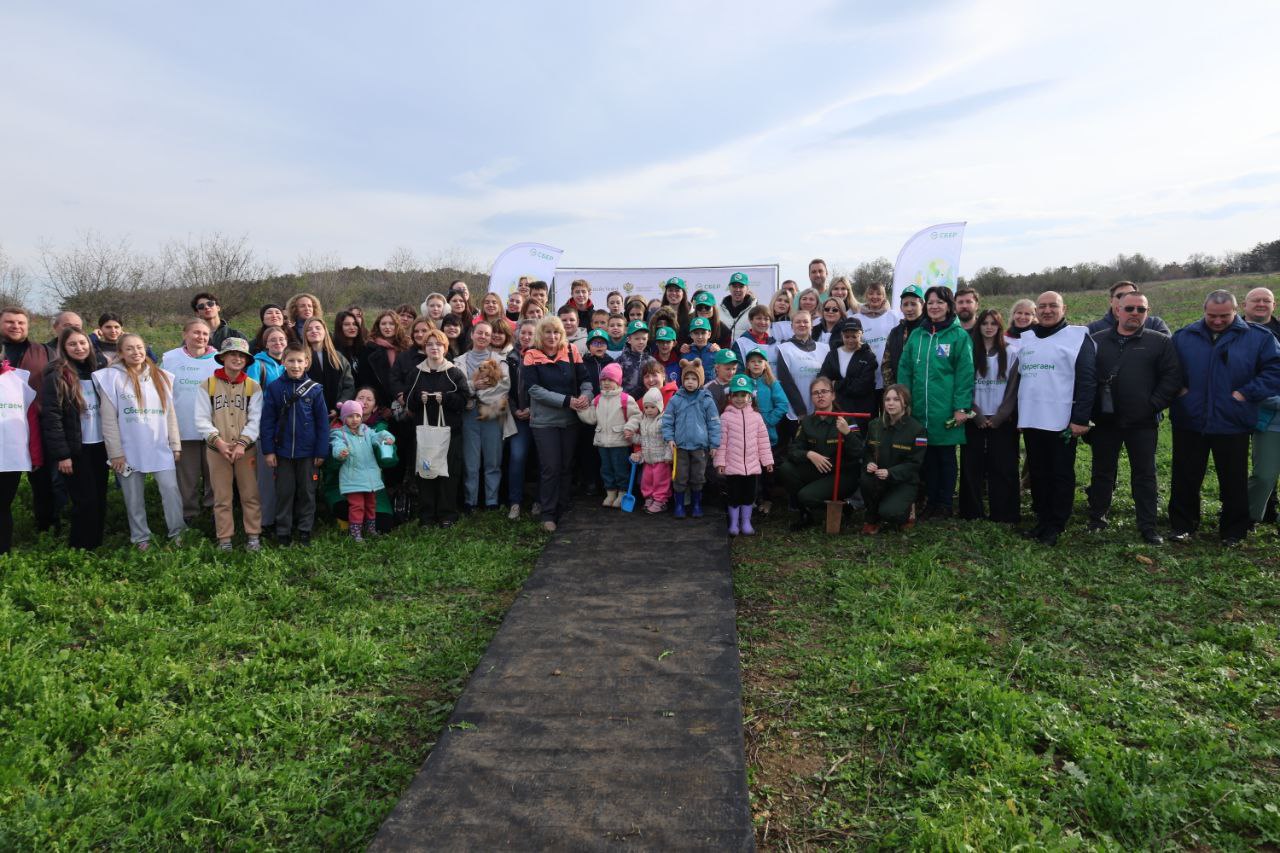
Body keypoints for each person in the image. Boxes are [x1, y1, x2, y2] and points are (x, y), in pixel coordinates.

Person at [1169, 290, 1280, 546]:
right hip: (1190, 418)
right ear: (1203, 310)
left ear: (1235, 310)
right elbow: (1168, 368)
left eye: (1224, 316)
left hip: (1233, 419)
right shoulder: (1184, 336)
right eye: (1212, 316)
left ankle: (1233, 531)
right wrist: (1180, 391)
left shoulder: (1259, 337)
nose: (1217, 321)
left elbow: (1275, 370)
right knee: (1185, 475)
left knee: (1233, 478)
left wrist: (1246, 393)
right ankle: (1183, 525)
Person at [1084, 291, 1181, 544]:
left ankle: (1148, 526)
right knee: (1102, 471)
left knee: (1145, 474)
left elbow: (1171, 377)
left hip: (1143, 422)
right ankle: (1097, 518)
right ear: (1118, 311)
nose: (1135, 314)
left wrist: (1152, 405)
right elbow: (1086, 378)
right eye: (1130, 309)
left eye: (1141, 309)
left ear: (1147, 312)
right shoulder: (1096, 340)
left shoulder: (1159, 342)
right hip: (1106, 421)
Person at [1015, 291, 1097, 546]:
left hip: (1061, 420)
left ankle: (1056, 524)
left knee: (1060, 472)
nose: (1047, 310)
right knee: (1038, 471)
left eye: (1053, 306)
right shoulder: (1026, 339)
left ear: (1064, 309)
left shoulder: (1077, 338)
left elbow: (1087, 380)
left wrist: (1081, 418)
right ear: (1036, 311)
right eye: (1043, 306)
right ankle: (1042, 518)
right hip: (1031, 418)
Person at [95, 333, 185, 551]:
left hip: (159, 446)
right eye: (130, 349)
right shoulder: (110, 378)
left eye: (139, 347)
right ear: (121, 353)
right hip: (128, 449)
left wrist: (175, 444)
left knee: (171, 490)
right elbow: (108, 419)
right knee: (133, 497)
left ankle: (178, 532)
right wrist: (115, 452)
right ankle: (140, 537)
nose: (136, 352)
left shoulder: (161, 376)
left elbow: (170, 414)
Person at [896, 286, 975, 519]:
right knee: (927, 457)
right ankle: (931, 501)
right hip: (920, 408)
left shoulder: (958, 336)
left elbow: (964, 373)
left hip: (945, 409)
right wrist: (904, 402)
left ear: (949, 306)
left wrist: (961, 406)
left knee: (946, 457)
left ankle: (944, 502)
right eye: (930, 302)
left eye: (939, 302)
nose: (934, 307)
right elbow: (905, 368)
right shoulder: (917, 335)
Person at [41, 327, 109, 549]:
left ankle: (96, 543)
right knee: (84, 500)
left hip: (100, 445)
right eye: (73, 344)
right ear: (64, 348)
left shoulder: (98, 370)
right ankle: (80, 547)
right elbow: (52, 418)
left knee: (99, 496)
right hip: (76, 449)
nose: (79, 348)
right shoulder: (57, 375)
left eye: (82, 343)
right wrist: (62, 455)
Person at [193, 338, 263, 552]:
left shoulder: (253, 386)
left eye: (241, 355)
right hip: (218, 450)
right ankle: (225, 539)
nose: (237, 358)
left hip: (245, 449)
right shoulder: (208, 384)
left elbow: (255, 419)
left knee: (250, 494)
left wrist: (242, 443)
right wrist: (219, 442)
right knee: (222, 496)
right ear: (222, 357)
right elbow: (201, 419)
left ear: (246, 360)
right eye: (232, 354)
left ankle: (253, 536)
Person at [523, 316, 591, 532]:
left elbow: (586, 380)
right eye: (547, 332)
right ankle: (548, 513)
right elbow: (534, 390)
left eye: (556, 332)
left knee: (566, 466)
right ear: (539, 335)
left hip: (570, 420)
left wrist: (586, 396)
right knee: (550, 467)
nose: (552, 337)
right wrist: (567, 401)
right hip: (544, 422)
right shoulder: (531, 355)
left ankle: (563, 508)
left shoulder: (571, 351)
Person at [259, 344, 329, 546]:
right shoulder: (274, 388)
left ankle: (305, 530)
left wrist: (321, 451)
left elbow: (323, 424)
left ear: (307, 363)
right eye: (291, 360)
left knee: (307, 492)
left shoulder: (315, 390)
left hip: (308, 453)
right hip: (282, 452)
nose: (295, 365)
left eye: (300, 361)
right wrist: (269, 450)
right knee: (284, 492)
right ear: (283, 362)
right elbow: (267, 421)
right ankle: (283, 531)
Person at [402, 329, 470, 528]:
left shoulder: (455, 372)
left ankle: (447, 514)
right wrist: (416, 398)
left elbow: (464, 399)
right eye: (430, 344)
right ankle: (426, 516)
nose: (434, 348)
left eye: (438, 344)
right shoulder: (416, 372)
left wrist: (447, 398)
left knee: (448, 473)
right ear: (425, 348)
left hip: (450, 434)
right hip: (423, 435)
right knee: (425, 473)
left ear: (445, 347)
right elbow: (408, 401)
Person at [957, 310, 1021, 524]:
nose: (988, 327)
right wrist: (976, 415)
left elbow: (1013, 389)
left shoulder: (1012, 352)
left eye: (993, 323)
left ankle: (1004, 513)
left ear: (999, 326)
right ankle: (971, 511)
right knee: (971, 466)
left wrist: (1001, 416)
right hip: (975, 418)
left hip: (1002, 420)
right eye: (984, 323)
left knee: (1003, 466)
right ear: (979, 326)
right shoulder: (968, 351)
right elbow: (964, 387)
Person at [1, 306, 56, 533]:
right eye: (10, 322)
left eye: (21, 323)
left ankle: (46, 528)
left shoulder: (44, 352)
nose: (16, 326)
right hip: (5, 431)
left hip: (40, 426)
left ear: (28, 325)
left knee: (44, 482)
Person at [777, 376, 858, 529]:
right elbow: (793, 450)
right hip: (818, 470)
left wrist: (848, 434)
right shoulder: (807, 422)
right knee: (786, 469)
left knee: (806, 496)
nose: (820, 395)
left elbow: (859, 451)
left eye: (824, 391)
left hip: (842, 474)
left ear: (833, 395)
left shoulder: (846, 419)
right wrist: (809, 454)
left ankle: (844, 507)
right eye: (815, 393)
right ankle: (806, 513)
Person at [161, 318, 218, 524]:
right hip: (183, 428)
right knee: (187, 476)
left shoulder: (219, 358)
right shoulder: (170, 359)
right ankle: (189, 513)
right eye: (195, 332)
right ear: (184, 334)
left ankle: (214, 510)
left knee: (214, 473)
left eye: (204, 333)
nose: (200, 337)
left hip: (213, 429)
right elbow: (161, 391)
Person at [860, 384, 927, 534]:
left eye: (896, 399)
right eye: (887, 399)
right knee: (865, 478)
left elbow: (915, 463)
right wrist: (869, 462)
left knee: (890, 513)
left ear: (905, 403)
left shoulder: (918, 430)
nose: (891, 403)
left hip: (903, 482)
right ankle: (872, 518)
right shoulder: (874, 425)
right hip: (879, 479)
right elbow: (867, 452)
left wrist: (891, 472)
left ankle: (908, 510)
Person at [459, 321, 511, 512]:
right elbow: (459, 387)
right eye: (479, 333)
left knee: (493, 459)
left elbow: (504, 386)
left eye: (486, 334)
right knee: (471, 461)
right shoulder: (459, 361)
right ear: (472, 334)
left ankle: (491, 501)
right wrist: (474, 387)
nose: (482, 337)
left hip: (493, 411)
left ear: (490, 338)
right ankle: (470, 501)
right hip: (469, 413)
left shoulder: (500, 359)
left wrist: (478, 393)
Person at [662, 359, 721, 519]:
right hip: (680, 446)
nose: (689, 382)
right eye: (687, 378)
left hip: (700, 447)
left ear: (700, 380)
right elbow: (667, 420)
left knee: (698, 476)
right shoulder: (676, 399)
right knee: (680, 477)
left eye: (694, 379)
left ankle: (696, 504)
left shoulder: (706, 399)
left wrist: (714, 444)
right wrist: (669, 438)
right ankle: (680, 505)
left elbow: (714, 422)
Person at [716, 374, 774, 536]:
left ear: (750, 397)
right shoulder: (725, 417)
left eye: (744, 395)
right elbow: (722, 443)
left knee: (749, 496)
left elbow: (763, 441)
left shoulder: (757, 417)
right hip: (733, 467)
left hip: (752, 466)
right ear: (730, 396)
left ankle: (746, 522)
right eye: (736, 395)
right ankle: (734, 523)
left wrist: (767, 461)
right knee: (734, 496)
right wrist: (720, 462)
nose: (740, 399)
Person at [330, 398, 396, 542]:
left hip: (370, 478)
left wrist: (386, 436)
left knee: (371, 504)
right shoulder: (340, 434)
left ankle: (370, 529)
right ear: (343, 418)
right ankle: (355, 532)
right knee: (357, 506)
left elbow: (377, 436)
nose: (354, 419)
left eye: (357, 416)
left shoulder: (367, 431)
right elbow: (336, 445)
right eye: (350, 416)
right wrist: (340, 452)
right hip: (352, 478)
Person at [245, 325, 289, 531]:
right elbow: (251, 396)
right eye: (272, 340)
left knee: (285, 477)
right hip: (267, 428)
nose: (277, 343)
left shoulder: (291, 363)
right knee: (266, 479)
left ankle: (284, 519)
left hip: (289, 429)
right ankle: (266, 522)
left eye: (281, 339)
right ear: (265, 343)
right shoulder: (257, 365)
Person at [578, 362, 640, 508]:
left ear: (617, 381)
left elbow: (636, 416)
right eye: (603, 380)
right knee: (606, 469)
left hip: (620, 442)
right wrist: (580, 409)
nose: (606, 383)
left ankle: (622, 493)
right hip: (602, 442)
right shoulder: (598, 399)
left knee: (620, 469)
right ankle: (610, 493)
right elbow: (591, 418)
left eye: (610, 380)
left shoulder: (625, 399)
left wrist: (630, 427)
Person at [0, 351, 42, 553]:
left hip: (11, 457)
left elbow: (31, 421)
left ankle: (3, 551)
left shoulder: (19, 379)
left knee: (3, 505)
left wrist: (35, 455)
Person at [743, 347, 788, 515]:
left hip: (767, 436)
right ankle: (752, 499)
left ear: (765, 364)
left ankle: (768, 499)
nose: (756, 364)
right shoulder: (743, 381)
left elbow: (782, 405)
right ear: (747, 364)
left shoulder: (771, 383)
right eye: (753, 361)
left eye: (759, 361)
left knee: (766, 469)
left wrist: (768, 421)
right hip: (747, 435)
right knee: (750, 470)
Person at [506, 320, 538, 520]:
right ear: (517, 334)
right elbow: (504, 388)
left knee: (542, 459)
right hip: (517, 416)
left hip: (539, 416)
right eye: (523, 333)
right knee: (517, 457)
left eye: (531, 334)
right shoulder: (510, 358)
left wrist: (532, 409)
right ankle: (515, 503)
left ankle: (539, 501)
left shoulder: (542, 356)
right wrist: (515, 409)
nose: (526, 337)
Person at [819, 316, 877, 426]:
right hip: (837, 408)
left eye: (854, 336)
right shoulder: (832, 354)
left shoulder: (869, 357)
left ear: (861, 335)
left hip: (860, 410)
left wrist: (836, 384)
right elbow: (823, 379)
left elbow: (862, 386)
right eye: (847, 336)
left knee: (856, 440)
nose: (850, 340)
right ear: (842, 335)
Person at [776, 310, 829, 422]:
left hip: (821, 409)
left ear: (812, 325)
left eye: (805, 321)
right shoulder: (784, 349)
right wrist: (800, 411)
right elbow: (786, 382)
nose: (802, 324)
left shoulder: (825, 349)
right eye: (798, 322)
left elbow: (828, 380)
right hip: (796, 411)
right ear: (792, 326)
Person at [302, 317, 354, 420]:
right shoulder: (300, 359)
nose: (314, 331)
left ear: (325, 331)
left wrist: (339, 407)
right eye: (309, 329)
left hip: (336, 415)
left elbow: (349, 386)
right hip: (308, 415)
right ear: (305, 334)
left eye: (318, 328)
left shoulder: (338, 357)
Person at [854, 281, 899, 399]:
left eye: (879, 294)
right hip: (867, 376)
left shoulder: (894, 316)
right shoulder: (856, 318)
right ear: (866, 296)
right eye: (871, 294)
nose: (875, 297)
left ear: (884, 296)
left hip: (889, 376)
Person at [632, 387, 673, 514]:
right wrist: (632, 437)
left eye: (652, 407)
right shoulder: (644, 421)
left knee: (660, 481)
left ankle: (660, 500)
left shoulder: (663, 421)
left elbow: (669, 440)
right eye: (646, 407)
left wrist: (669, 455)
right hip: (648, 458)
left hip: (661, 459)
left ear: (659, 407)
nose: (649, 410)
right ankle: (649, 497)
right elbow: (643, 439)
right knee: (647, 480)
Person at [1086, 280, 1171, 336]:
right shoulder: (1094, 329)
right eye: (1121, 296)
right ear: (1111, 301)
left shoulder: (1155, 324)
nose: (1127, 299)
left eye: (1132, 294)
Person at [882, 285, 925, 386]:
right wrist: (892, 389)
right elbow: (886, 365)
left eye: (913, 304)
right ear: (901, 308)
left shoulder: (930, 331)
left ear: (923, 305)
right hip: (900, 393)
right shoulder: (895, 333)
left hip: (924, 394)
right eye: (905, 304)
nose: (909, 309)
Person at [734, 304, 779, 376]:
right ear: (751, 320)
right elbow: (738, 371)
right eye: (759, 318)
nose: (763, 322)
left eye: (766, 319)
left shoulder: (776, 344)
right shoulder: (740, 343)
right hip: (748, 385)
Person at [615, 320, 654, 401]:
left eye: (644, 338)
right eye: (637, 339)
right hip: (626, 403)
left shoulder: (652, 361)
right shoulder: (620, 361)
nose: (641, 342)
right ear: (629, 339)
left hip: (648, 405)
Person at [720, 272, 756, 341]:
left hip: (745, 351)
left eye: (741, 286)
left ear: (747, 288)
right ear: (729, 288)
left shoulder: (755, 310)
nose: (737, 290)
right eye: (734, 286)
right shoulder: (718, 310)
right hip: (724, 351)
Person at [332, 310, 366, 376]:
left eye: (354, 324)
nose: (352, 327)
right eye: (347, 324)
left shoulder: (364, 348)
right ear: (339, 327)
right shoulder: (334, 352)